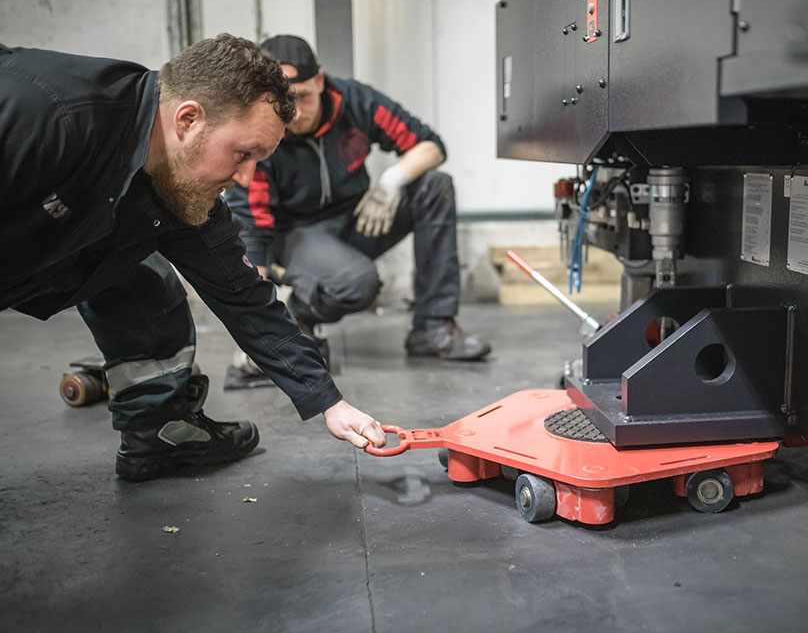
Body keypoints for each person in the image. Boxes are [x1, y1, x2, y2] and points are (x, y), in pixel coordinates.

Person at [0, 34, 387, 481]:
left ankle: (157, 430)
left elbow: (245, 298)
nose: (245, 178)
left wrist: (329, 403)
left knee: (138, 269)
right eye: (243, 154)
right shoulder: (43, 115)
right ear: (188, 119)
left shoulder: (180, 181)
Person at [223, 35, 490, 366]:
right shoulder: (260, 133)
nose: (295, 113)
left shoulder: (355, 100)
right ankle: (293, 318)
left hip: (360, 217)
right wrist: (259, 332)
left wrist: (390, 183)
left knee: (435, 186)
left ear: (320, 81)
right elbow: (250, 229)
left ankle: (433, 327)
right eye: (284, 103)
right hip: (298, 236)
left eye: (304, 97)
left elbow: (431, 146)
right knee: (358, 284)